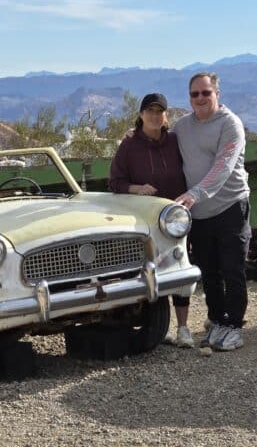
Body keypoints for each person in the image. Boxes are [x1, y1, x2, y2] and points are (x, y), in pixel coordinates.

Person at [109, 93, 194, 348]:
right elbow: (115, 182)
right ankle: (160, 328)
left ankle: (184, 328)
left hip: (176, 218)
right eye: (150, 111)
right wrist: (137, 188)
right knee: (152, 270)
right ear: (141, 115)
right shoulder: (129, 146)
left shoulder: (176, 142)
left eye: (160, 111)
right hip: (144, 221)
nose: (155, 116)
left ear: (166, 115)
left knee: (180, 269)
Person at [173, 72, 251, 352]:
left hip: (230, 207)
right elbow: (161, 144)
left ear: (217, 93)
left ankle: (235, 326)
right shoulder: (183, 126)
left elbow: (223, 167)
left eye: (206, 93)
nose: (200, 99)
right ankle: (217, 320)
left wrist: (194, 194)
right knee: (209, 272)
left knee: (233, 269)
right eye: (194, 94)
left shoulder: (230, 125)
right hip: (200, 214)